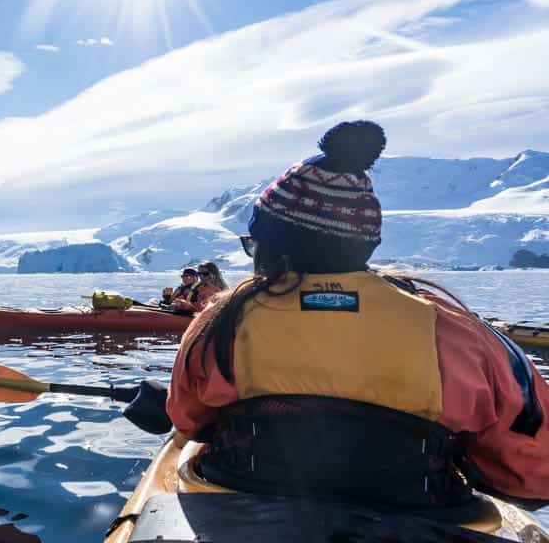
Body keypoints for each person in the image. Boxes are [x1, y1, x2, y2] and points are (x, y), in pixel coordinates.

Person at [167, 120, 548, 513]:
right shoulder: (460, 333)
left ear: (271, 245)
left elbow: (190, 421)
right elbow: (532, 476)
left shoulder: (221, 323)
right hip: (419, 518)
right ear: (364, 243)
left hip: (244, 510)